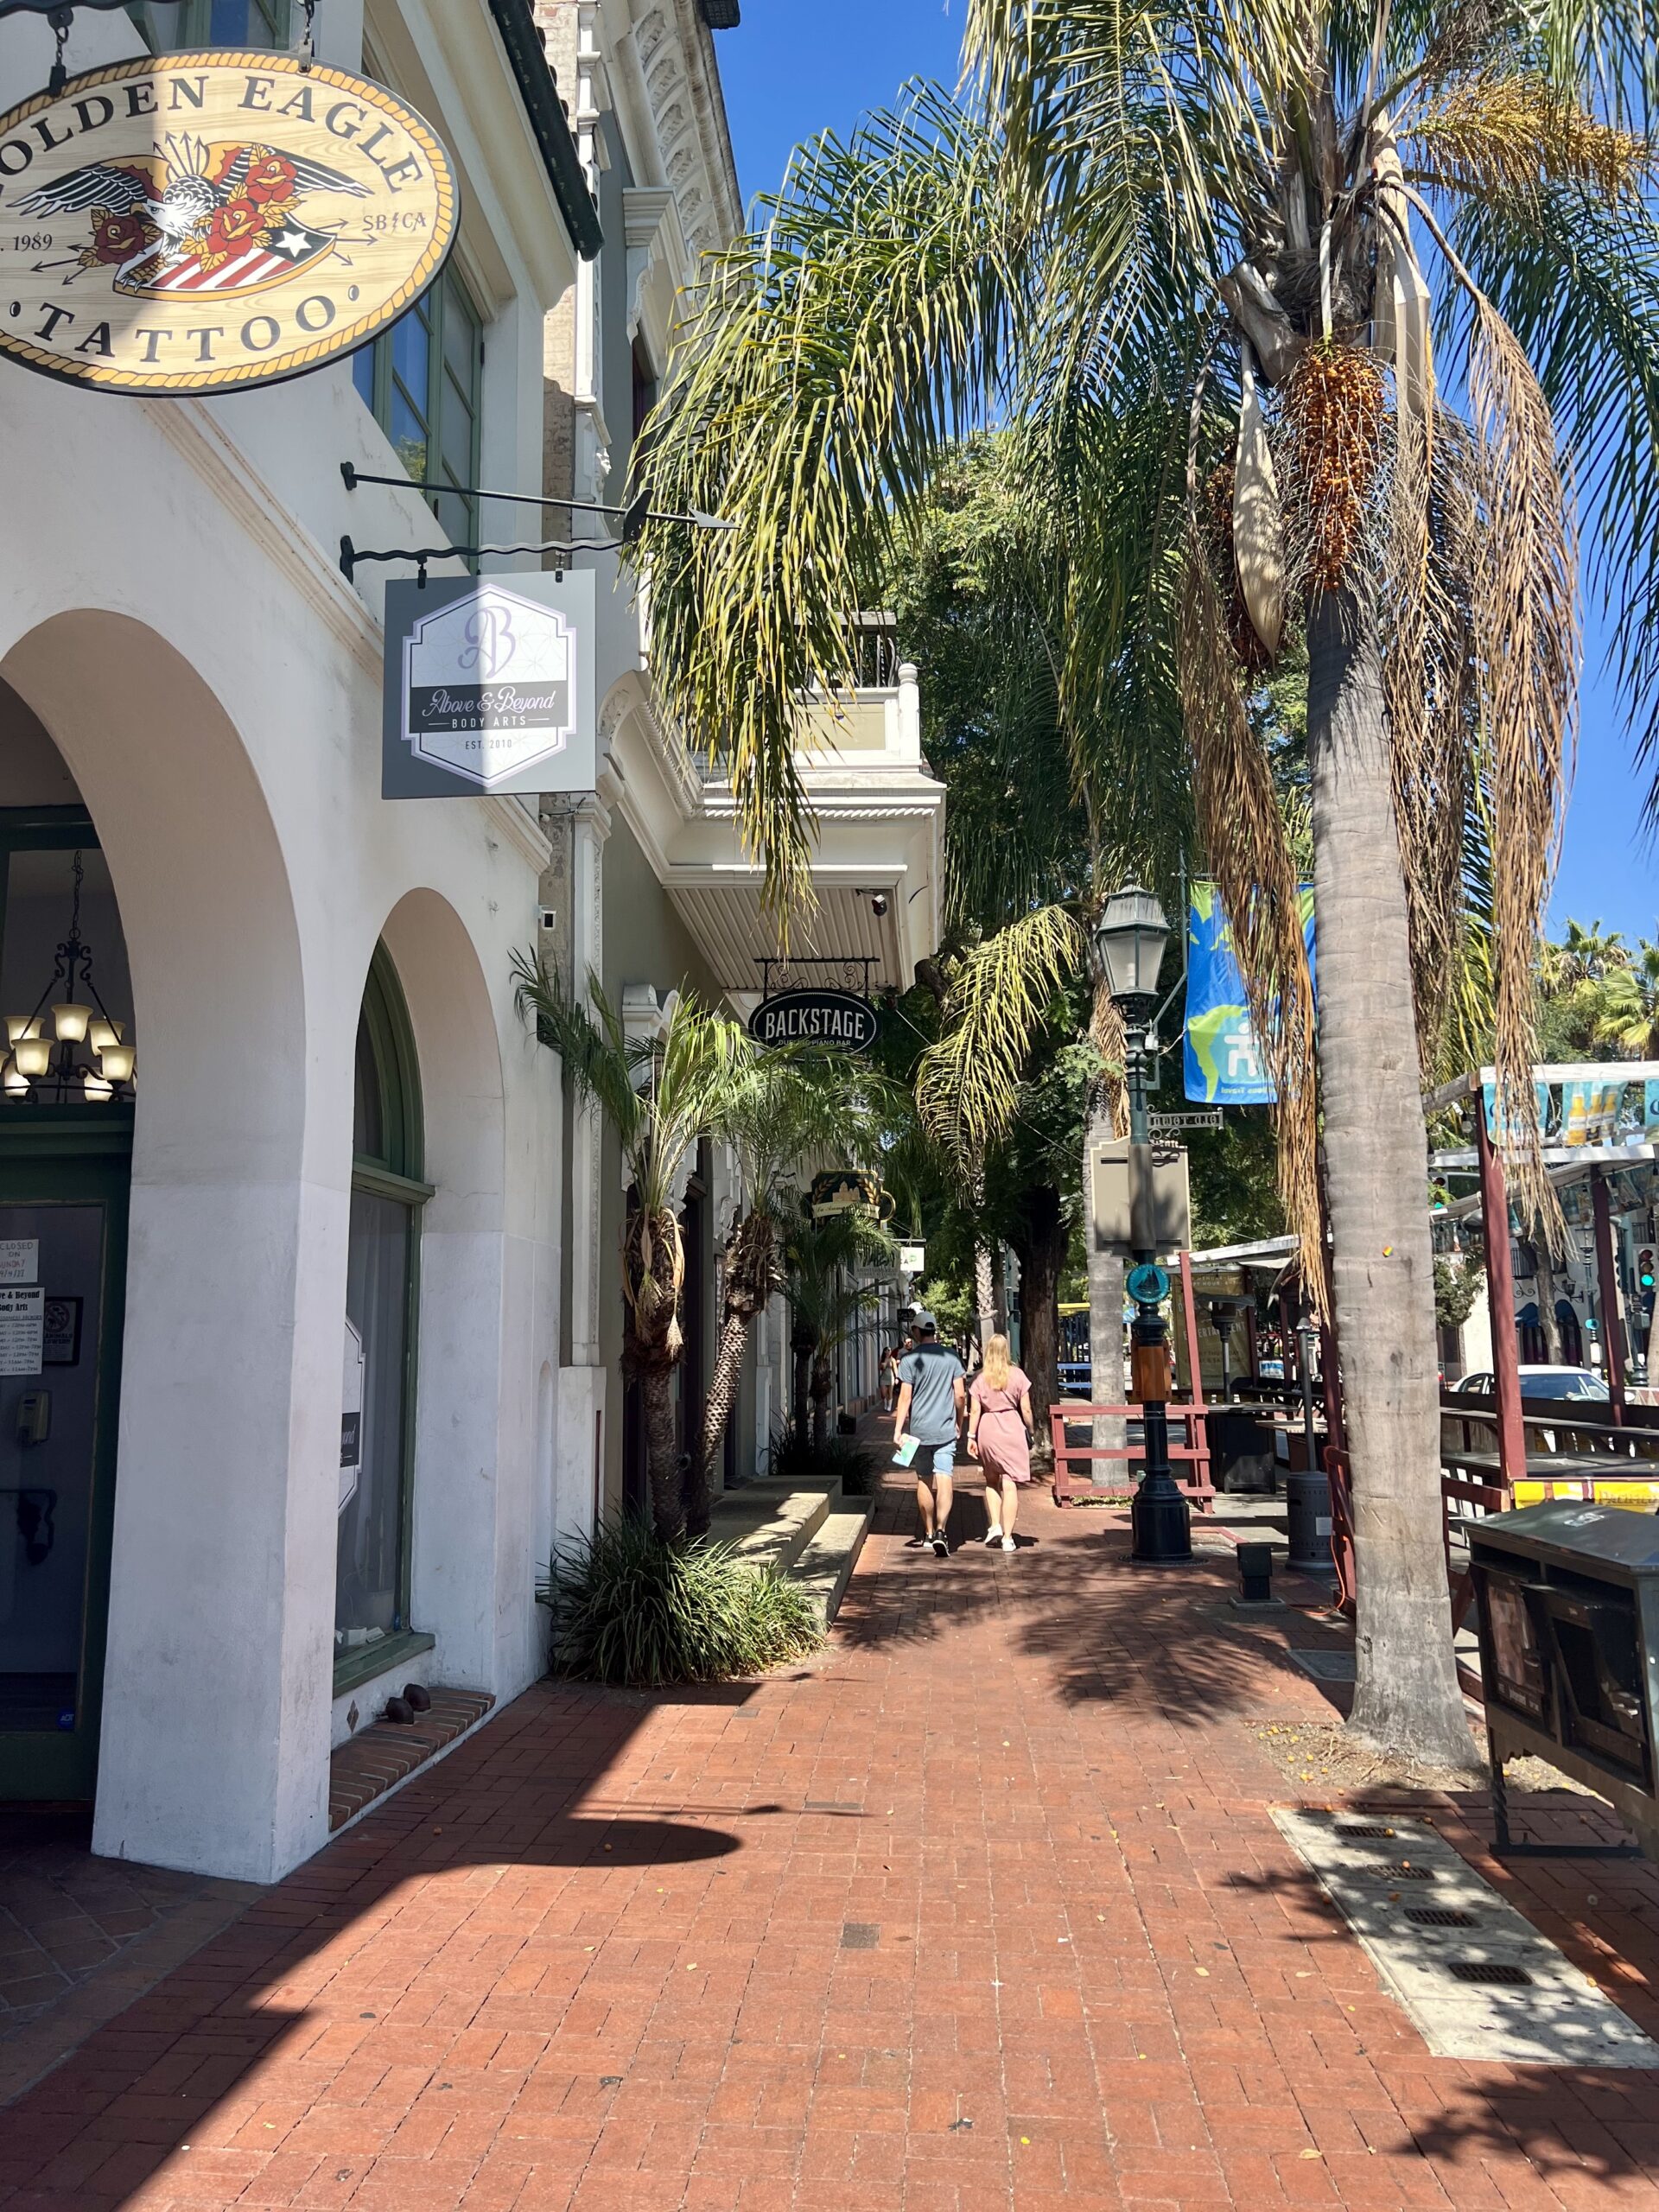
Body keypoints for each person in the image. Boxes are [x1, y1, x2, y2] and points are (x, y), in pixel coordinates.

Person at [893, 1308, 966, 1558]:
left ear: (916, 1331)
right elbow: (960, 1394)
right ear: (934, 1331)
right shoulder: (951, 1357)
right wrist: (959, 1422)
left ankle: (927, 1532)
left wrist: (898, 1429)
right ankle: (942, 1531)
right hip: (945, 1429)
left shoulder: (910, 1360)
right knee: (945, 1477)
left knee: (924, 1479)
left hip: (919, 1431)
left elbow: (905, 1397)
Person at [967, 1333, 1034, 1553]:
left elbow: (975, 1410)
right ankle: (1007, 1537)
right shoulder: (1017, 1375)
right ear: (1006, 1351)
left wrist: (971, 1436)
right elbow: (1025, 1409)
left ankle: (994, 1525)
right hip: (1012, 1427)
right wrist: (1031, 1430)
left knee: (991, 1480)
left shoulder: (980, 1378)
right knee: (1009, 1482)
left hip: (988, 1428)